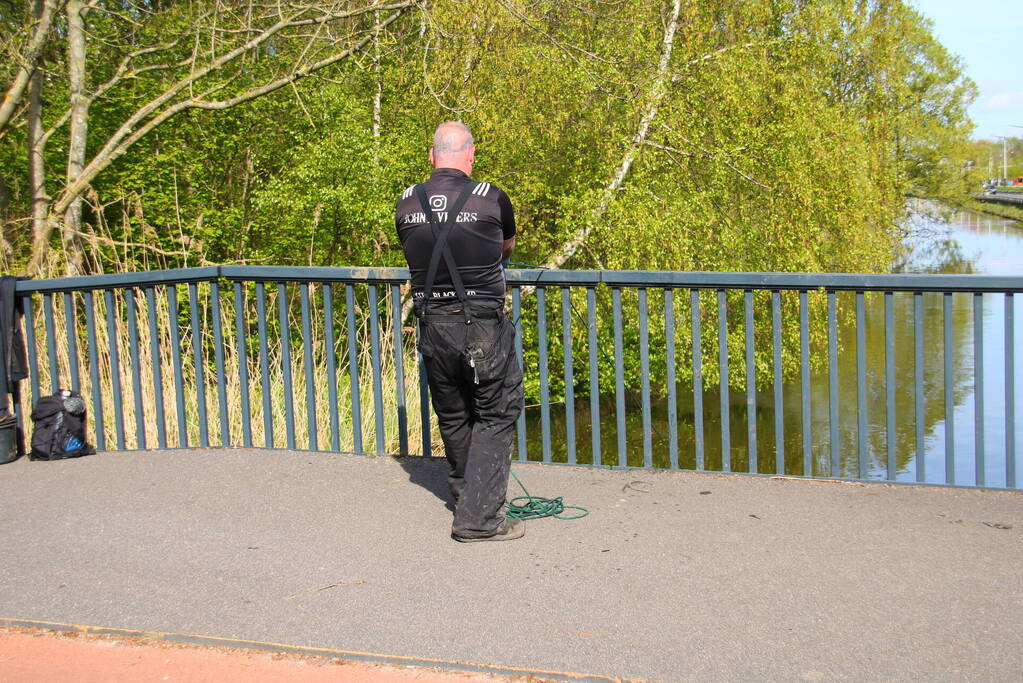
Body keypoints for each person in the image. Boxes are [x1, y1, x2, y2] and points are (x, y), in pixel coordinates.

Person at [395, 121, 524, 542]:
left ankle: (466, 495)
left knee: (453, 414)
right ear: (469, 155)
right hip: (482, 324)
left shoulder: (406, 201)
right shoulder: (492, 197)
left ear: (433, 156)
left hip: (433, 325)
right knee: (497, 411)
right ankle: (480, 519)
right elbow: (504, 245)